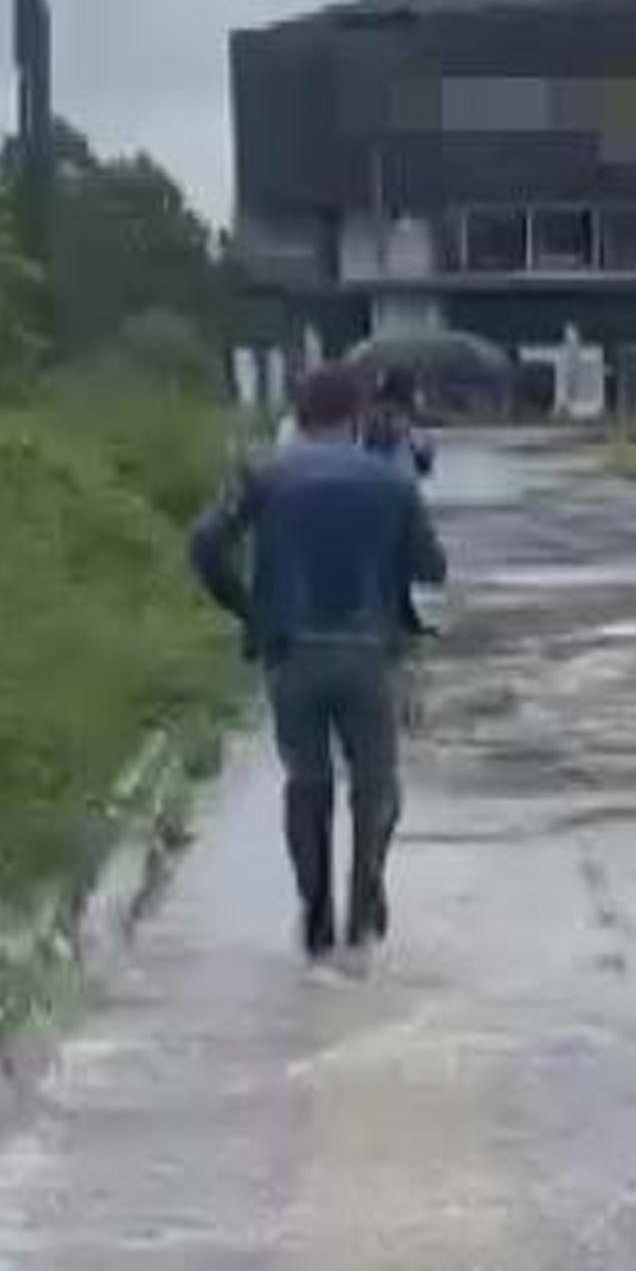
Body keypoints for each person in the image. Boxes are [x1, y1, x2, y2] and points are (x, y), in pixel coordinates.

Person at [190, 364, 448, 957]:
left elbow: (204, 543)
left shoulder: (264, 475)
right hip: (369, 655)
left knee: (307, 783)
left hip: (290, 655)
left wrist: (249, 609)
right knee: (375, 786)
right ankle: (363, 904)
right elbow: (431, 567)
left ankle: (315, 913)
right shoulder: (390, 482)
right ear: (356, 416)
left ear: (299, 417)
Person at [359, 364, 436, 479]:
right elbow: (423, 469)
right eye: (418, 388)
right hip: (394, 476)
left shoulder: (375, 409)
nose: (421, 395)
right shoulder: (394, 416)